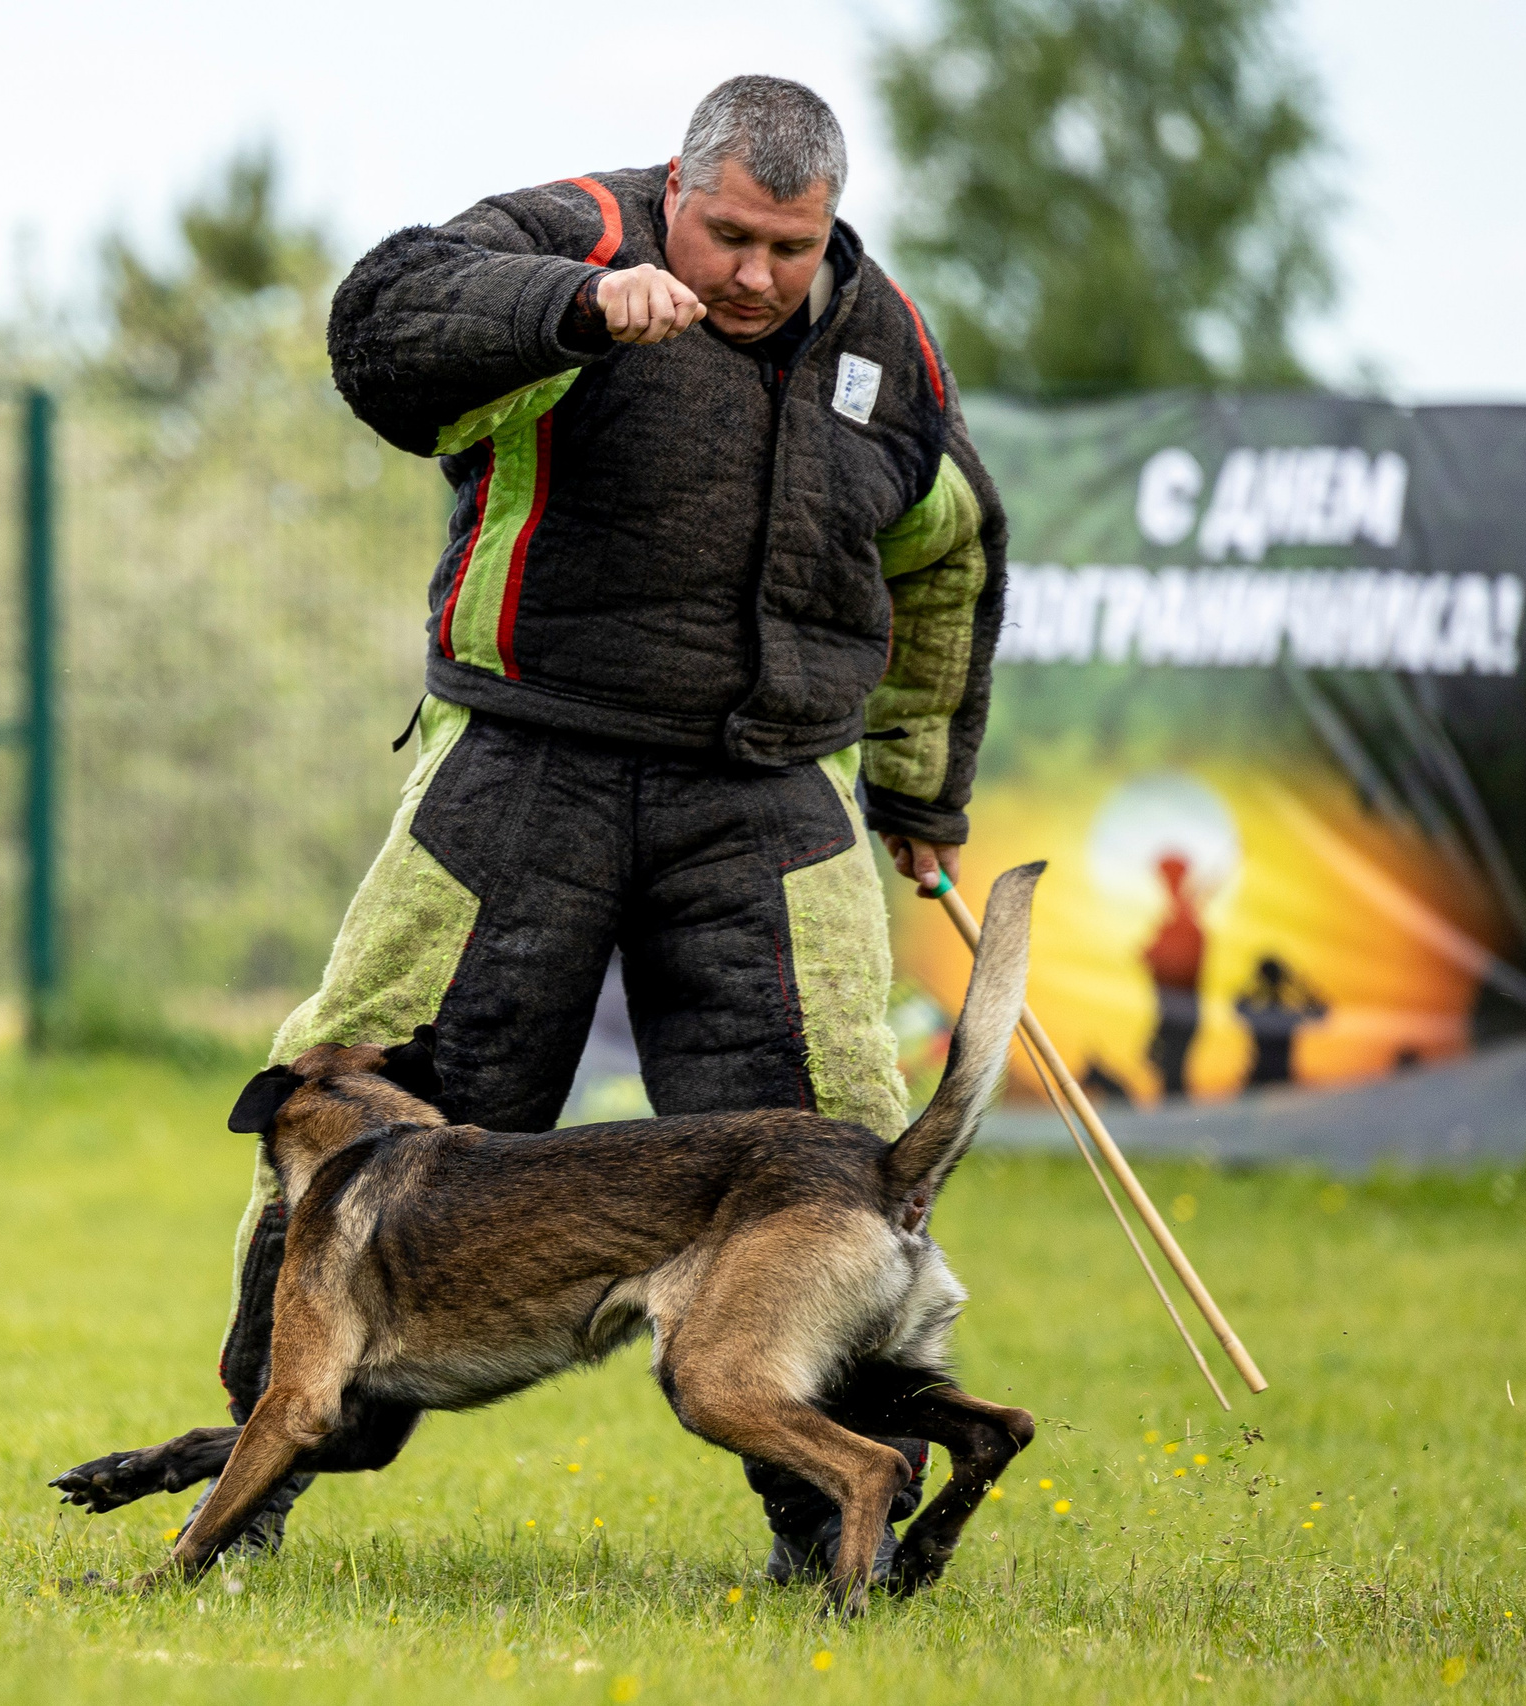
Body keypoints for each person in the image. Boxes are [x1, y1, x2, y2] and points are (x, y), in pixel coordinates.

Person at [203, 75, 1008, 1585]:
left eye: (793, 243)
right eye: (726, 239)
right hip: (525, 762)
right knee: (350, 1106)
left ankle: (839, 1529)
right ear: (676, 191)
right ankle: (259, 1482)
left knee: (840, 1148)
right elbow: (385, 331)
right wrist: (574, 308)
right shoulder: (567, 232)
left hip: (769, 793)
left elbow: (949, 552)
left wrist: (915, 791)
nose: (758, 275)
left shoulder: (885, 343)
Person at [1142, 853, 1205, 1100]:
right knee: (1163, 1066)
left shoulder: (1185, 919)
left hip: (1181, 1011)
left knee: (1172, 1073)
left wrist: (1156, 954)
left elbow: (1183, 965)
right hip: (1169, 1010)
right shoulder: (1176, 914)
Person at [1235, 956, 1327, 1091]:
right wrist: (1299, 986)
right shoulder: (1289, 1016)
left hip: (1261, 1078)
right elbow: (1320, 1013)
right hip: (1281, 1078)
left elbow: (1238, 1006)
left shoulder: (1260, 1016)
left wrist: (1254, 983)